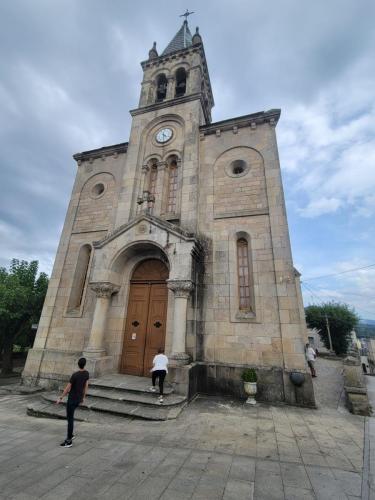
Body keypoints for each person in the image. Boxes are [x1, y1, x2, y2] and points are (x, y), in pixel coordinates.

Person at [56, 357, 89, 447]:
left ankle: (69, 441)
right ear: (84, 364)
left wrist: (60, 398)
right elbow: (86, 386)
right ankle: (71, 434)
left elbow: (67, 388)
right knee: (70, 417)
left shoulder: (75, 375)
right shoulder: (86, 373)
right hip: (78, 399)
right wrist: (83, 397)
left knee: (70, 419)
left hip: (72, 399)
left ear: (78, 364)